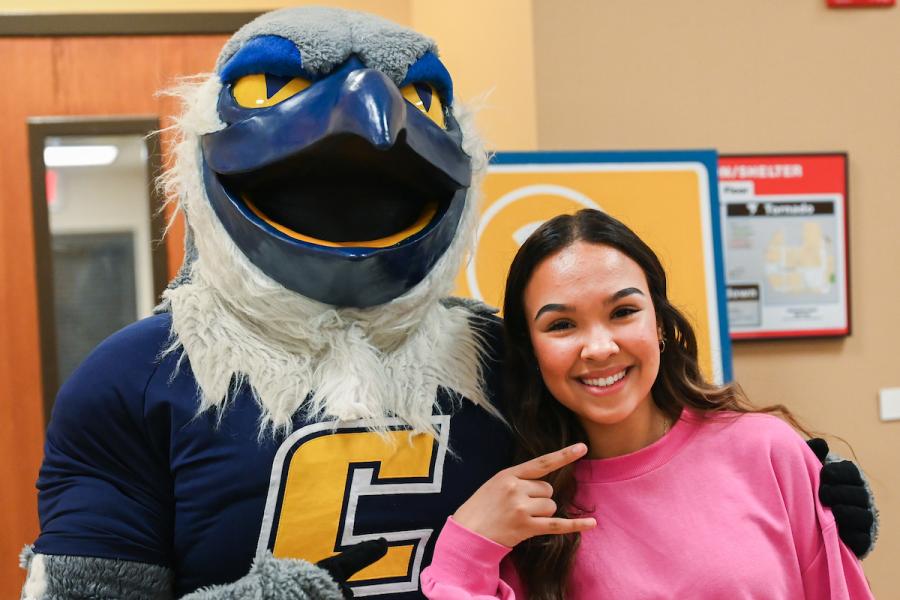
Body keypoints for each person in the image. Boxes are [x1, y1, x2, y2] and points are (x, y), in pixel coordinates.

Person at [20, 8, 873, 600]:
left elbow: (640, 489)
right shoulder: (135, 378)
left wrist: (793, 500)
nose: (594, 342)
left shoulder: (501, 352)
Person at [420, 209, 874, 599]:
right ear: (532, 351)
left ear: (659, 321)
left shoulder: (767, 450)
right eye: (561, 325)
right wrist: (466, 550)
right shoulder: (527, 508)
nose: (599, 347)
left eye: (622, 312)